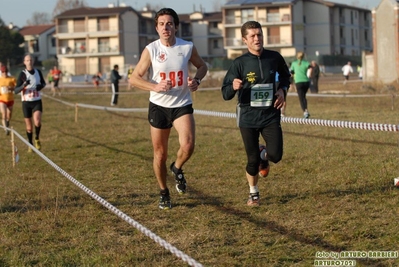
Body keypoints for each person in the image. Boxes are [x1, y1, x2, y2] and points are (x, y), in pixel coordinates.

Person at [130, 8, 208, 210]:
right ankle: (164, 192)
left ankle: (177, 167)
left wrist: (196, 80)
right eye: (162, 24)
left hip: (182, 104)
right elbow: (134, 78)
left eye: (170, 23)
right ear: (156, 28)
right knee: (160, 155)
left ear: (176, 27)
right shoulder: (151, 49)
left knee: (188, 145)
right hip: (159, 106)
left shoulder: (187, 47)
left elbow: (202, 66)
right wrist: (154, 86)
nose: (166, 27)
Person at [221, 21, 290, 206]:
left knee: (275, 155)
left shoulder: (275, 58)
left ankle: (264, 155)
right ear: (245, 40)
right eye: (252, 36)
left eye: (259, 34)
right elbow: (225, 93)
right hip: (248, 118)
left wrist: (283, 90)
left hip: (270, 115)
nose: (257, 38)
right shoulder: (239, 63)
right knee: (251, 160)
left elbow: (286, 77)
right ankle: (254, 193)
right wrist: (233, 87)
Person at [14, 54, 46, 152]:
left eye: (31, 60)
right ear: (24, 62)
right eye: (27, 60)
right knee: (29, 127)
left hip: (36, 100)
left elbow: (43, 83)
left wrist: (40, 87)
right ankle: (30, 144)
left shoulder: (38, 72)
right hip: (26, 102)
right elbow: (16, 90)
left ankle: (37, 138)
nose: (29, 62)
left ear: (33, 61)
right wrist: (23, 85)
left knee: (37, 121)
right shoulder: (22, 74)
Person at [290, 52, 311, 118]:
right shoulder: (306, 63)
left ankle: (305, 112)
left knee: (301, 98)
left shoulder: (294, 63)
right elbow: (311, 68)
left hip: (298, 82)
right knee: (303, 96)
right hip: (306, 81)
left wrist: (291, 83)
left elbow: (291, 73)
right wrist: (309, 75)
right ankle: (306, 109)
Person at [0, 65, 16, 135]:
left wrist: (11, 88)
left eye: (6, 72)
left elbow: (16, 87)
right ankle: (5, 129)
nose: (5, 73)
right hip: (2, 100)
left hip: (10, 99)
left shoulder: (12, 79)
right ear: (1, 72)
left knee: (9, 114)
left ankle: (7, 122)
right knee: (4, 113)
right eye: (3, 72)